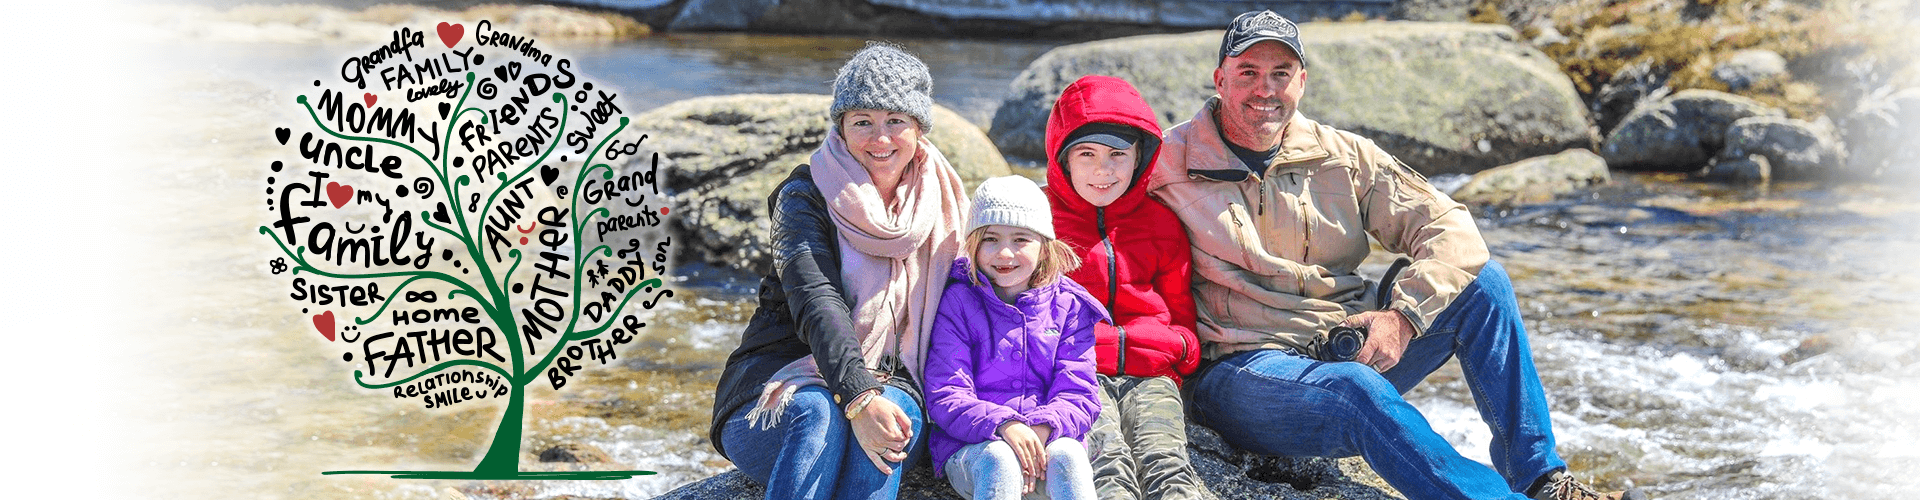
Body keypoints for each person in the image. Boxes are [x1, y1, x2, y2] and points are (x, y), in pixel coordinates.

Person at [1146, 10, 1649, 500]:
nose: (1265, 90)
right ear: (1219, 79)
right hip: (1238, 373)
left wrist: (1402, 317)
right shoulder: (1164, 161)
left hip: (1337, 346)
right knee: (1354, 391)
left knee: (1485, 285)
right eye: (1248, 73)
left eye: (1281, 73)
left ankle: (1543, 482)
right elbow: (1084, 202)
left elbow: (1449, 226)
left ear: (1302, 80)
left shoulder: (1341, 154)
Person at [708, 42, 969, 500]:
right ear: (842, 127)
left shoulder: (944, 201)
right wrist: (859, 395)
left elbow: (994, 277)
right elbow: (818, 300)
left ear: (919, 128)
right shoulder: (803, 195)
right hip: (779, 378)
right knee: (818, 415)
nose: (880, 139)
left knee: (893, 423)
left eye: (895, 122)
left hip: (899, 377)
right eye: (862, 122)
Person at [1041, 75, 1206, 500]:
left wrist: (1181, 349)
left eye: (1118, 154)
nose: (1103, 169)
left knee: (1167, 464)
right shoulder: (1037, 222)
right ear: (1062, 158)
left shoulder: (1162, 223)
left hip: (1151, 376)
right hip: (1074, 375)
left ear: (1141, 158)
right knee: (1107, 466)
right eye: (1087, 153)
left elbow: (1182, 317)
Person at [924, 176, 1102, 500]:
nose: (1005, 253)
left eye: (1021, 239)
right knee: (1000, 459)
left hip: (1045, 442)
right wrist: (1005, 425)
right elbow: (946, 392)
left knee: (1069, 455)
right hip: (975, 448)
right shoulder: (957, 302)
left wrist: (1043, 427)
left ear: (1044, 244)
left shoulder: (1070, 306)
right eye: (990, 239)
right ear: (973, 244)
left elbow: (1080, 391)